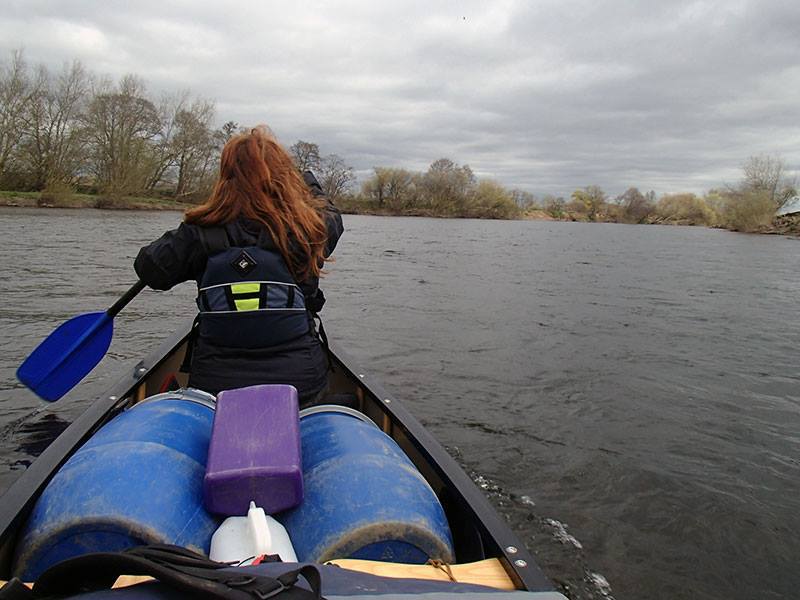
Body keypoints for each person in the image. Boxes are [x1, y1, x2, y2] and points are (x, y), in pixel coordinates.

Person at [134, 126, 343, 403]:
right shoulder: (308, 229)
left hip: (215, 387)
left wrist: (191, 229)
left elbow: (149, 269)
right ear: (285, 179)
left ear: (226, 178)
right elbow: (331, 214)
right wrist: (308, 182)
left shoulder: (198, 232)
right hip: (299, 385)